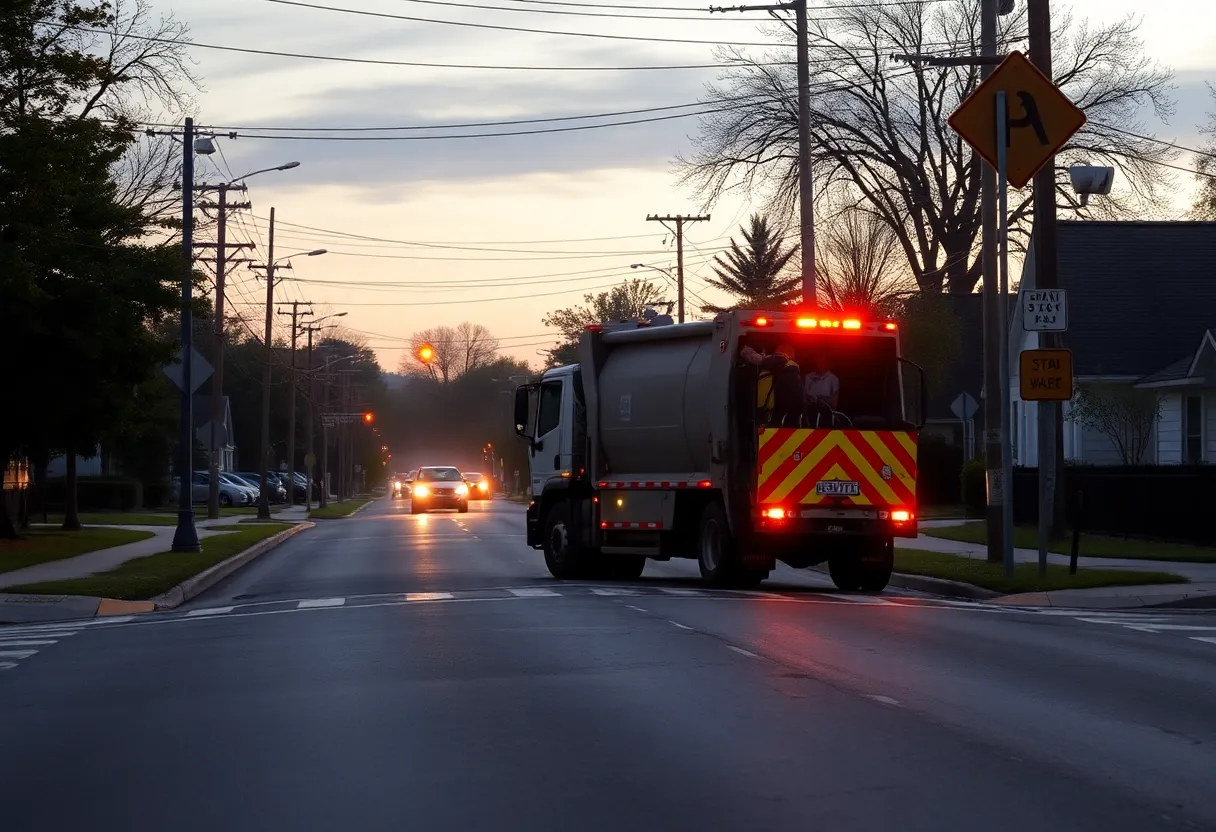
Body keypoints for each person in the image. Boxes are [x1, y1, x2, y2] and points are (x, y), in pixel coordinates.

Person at [741, 341, 804, 426]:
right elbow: (798, 400)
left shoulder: (763, 367)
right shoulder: (790, 368)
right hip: (783, 420)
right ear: (791, 354)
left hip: (761, 417)